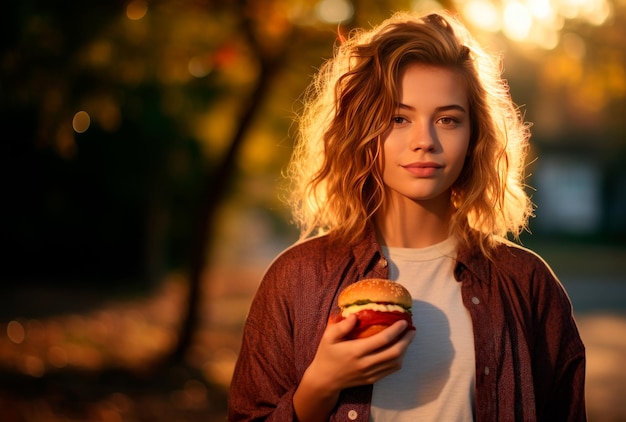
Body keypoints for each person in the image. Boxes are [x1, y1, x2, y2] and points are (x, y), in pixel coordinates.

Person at [228, 9, 586, 422]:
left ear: (475, 136)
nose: (425, 141)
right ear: (362, 129)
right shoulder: (295, 279)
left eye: (448, 119)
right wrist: (319, 385)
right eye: (399, 118)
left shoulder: (527, 283)